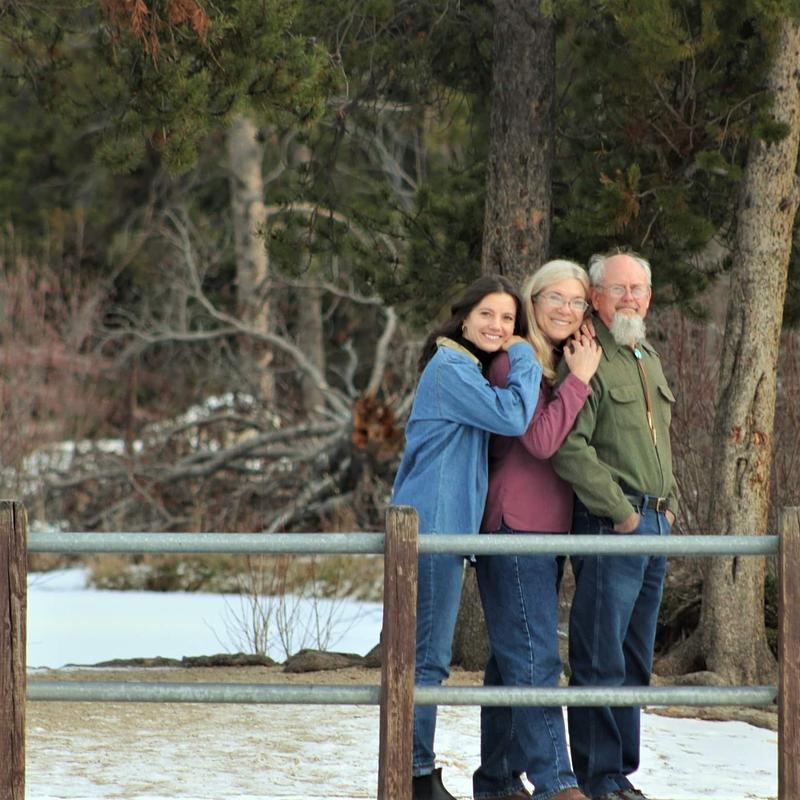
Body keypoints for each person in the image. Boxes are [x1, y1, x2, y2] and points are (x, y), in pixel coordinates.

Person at [392, 275, 542, 800]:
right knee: (427, 658)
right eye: (488, 315)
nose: (498, 326)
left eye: (508, 319)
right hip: (431, 529)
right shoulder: (451, 368)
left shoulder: (462, 368)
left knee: (425, 656)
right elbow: (514, 415)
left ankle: (416, 770)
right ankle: (414, 775)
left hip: (443, 529)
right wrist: (525, 354)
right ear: (464, 318)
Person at [550, 250, 678, 800]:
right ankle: (597, 776)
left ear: (649, 296)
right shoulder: (587, 355)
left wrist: (669, 505)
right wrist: (620, 512)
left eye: (638, 289)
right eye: (618, 289)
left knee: (634, 656)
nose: (630, 298)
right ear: (597, 297)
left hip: (656, 522)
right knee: (600, 654)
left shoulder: (646, 356)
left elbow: (660, 439)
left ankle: (620, 773)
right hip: (613, 523)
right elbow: (568, 448)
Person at [474, 260, 601, 800]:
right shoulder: (515, 360)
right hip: (515, 526)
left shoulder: (554, 363)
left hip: (547, 532)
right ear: (533, 299)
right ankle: (556, 783)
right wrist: (579, 380)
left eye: (577, 302)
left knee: (512, 660)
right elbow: (542, 442)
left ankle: (499, 782)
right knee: (535, 657)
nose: (566, 310)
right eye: (556, 298)